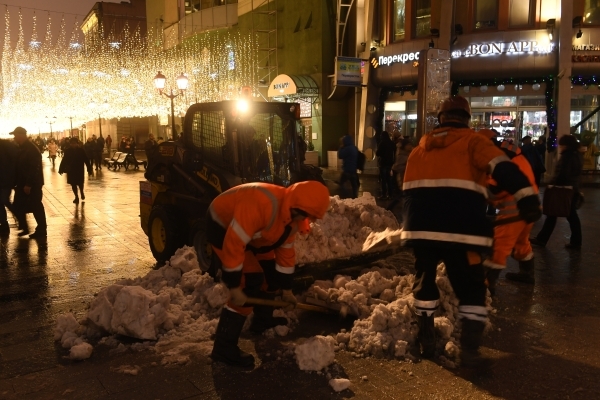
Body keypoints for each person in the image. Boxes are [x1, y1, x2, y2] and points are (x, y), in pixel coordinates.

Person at [401, 96, 541, 368]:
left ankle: (426, 341)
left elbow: (408, 190)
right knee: (473, 290)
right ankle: (470, 353)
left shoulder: (419, 149)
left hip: (421, 231)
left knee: (424, 282)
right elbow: (503, 169)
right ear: (465, 119)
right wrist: (527, 198)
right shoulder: (473, 142)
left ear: (440, 119)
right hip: (460, 231)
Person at [208, 181, 330, 367]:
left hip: (256, 234)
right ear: (298, 208)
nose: (309, 221)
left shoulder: (291, 218)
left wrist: (287, 289)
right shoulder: (262, 205)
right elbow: (234, 243)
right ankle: (223, 348)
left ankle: (262, 321)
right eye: (309, 216)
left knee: (271, 277)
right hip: (222, 225)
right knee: (250, 282)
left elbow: (285, 254)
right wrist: (234, 286)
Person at [483, 140, 539, 292]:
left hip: (513, 211)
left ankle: (488, 284)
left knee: (499, 246)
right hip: (530, 206)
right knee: (521, 242)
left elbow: (496, 191)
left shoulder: (500, 163)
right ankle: (527, 273)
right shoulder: (517, 157)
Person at [530, 134, 583, 250]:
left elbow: (563, 173)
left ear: (566, 145)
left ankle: (544, 239)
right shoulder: (576, 154)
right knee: (561, 215)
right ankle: (544, 239)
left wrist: (553, 183)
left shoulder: (568, 156)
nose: (560, 147)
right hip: (571, 188)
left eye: (562, 144)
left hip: (564, 189)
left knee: (560, 214)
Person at [10, 127, 48, 239]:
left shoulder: (31, 149)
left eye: (15, 135)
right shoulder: (22, 148)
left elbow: (34, 168)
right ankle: (25, 227)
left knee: (36, 206)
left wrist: (29, 184)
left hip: (32, 184)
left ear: (21, 135)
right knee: (18, 206)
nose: (14, 137)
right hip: (23, 183)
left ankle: (41, 229)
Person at [59, 137, 93, 204]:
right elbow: (64, 160)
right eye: (72, 143)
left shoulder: (81, 150)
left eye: (74, 143)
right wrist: (61, 169)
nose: (73, 145)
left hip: (79, 169)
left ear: (77, 143)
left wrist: (89, 169)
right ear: (70, 144)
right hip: (71, 170)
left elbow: (86, 159)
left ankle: (81, 192)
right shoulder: (68, 151)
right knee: (73, 184)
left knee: (80, 183)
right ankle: (76, 196)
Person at [387, 138, 413, 212]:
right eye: (408, 145)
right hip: (402, 178)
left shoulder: (406, 153)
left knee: (401, 196)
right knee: (401, 195)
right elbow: (399, 168)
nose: (410, 146)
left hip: (405, 178)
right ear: (404, 146)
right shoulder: (402, 154)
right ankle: (389, 209)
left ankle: (390, 208)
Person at [0, 138, 18, 235]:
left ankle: (19, 216)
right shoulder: (6, 145)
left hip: (6, 179)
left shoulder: (5, 145)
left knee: (4, 200)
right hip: (4, 179)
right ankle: (4, 224)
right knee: (1, 202)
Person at [376, 131, 395, 200]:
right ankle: (390, 194)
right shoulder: (391, 143)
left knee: (383, 180)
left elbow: (378, 153)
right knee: (389, 179)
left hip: (383, 163)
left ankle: (384, 194)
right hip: (390, 163)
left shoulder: (382, 143)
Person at [338, 134, 358, 199]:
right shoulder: (354, 148)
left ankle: (346, 195)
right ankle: (355, 197)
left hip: (347, 169)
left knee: (341, 183)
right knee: (354, 185)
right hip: (353, 169)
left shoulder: (347, 149)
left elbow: (340, 155)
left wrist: (341, 147)